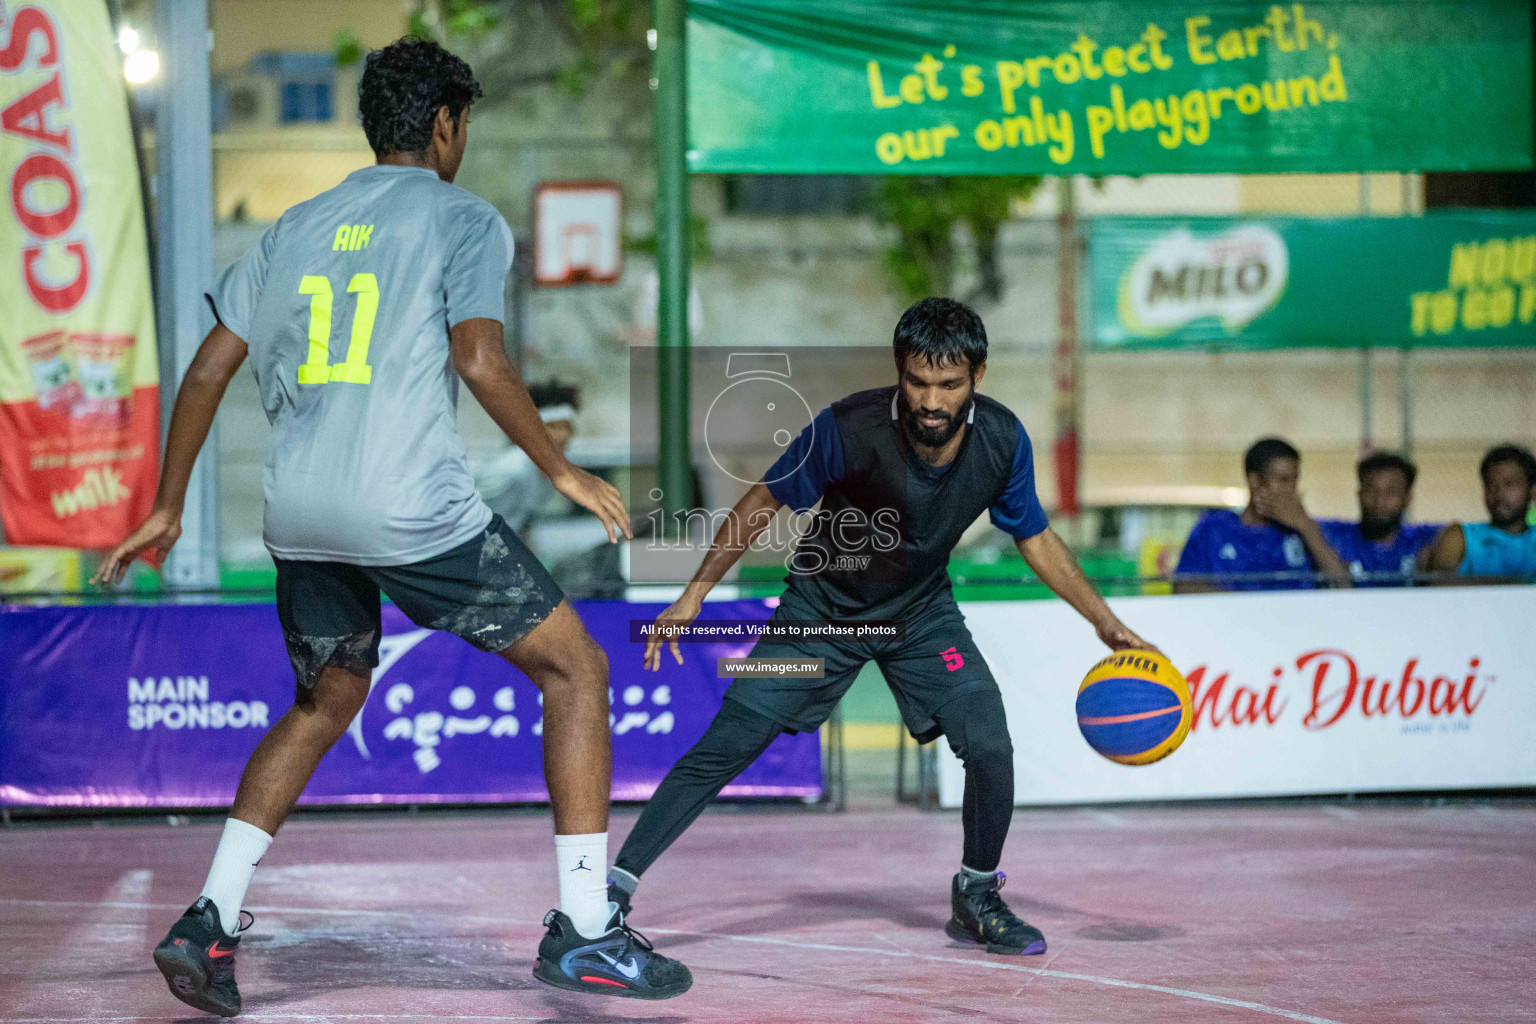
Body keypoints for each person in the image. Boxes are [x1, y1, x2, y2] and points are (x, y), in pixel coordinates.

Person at [92, 39, 688, 1014]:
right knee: (576, 668)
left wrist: (166, 504)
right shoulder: (465, 218)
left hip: (303, 515)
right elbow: (485, 360)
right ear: (448, 125)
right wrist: (561, 467)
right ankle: (586, 928)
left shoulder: (295, 224)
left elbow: (206, 371)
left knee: (323, 704)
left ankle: (210, 915)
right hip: (410, 511)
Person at [609, 297, 1156, 958]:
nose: (931, 400)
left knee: (989, 744)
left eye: (948, 385)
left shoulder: (1003, 441)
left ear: (977, 377)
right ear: (900, 372)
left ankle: (977, 894)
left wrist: (1106, 623)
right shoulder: (848, 427)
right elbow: (760, 501)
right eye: (918, 382)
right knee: (728, 742)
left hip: (921, 617)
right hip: (817, 615)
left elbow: (1034, 538)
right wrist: (692, 596)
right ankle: (608, 894)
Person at [1173, 438, 1350, 592]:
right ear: (1254, 481)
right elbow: (1183, 587)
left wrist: (1305, 526)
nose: (1291, 489)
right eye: (1283, 480)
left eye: (1295, 480)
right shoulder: (1214, 530)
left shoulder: (1309, 532)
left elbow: (1343, 587)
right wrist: (1255, 606)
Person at [1318, 451, 1439, 586]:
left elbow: (1463, 534)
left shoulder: (1426, 540)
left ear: (1407, 498)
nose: (1380, 501)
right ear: (1359, 493)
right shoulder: (1332, 536)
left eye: (1391, 492)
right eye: (1371, 490)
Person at [1419, 443, 1536, 580]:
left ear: (1533, 490)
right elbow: (1437, 592)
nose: (1499, 494)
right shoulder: (1459, 538)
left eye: (1509, 484)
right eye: (1491, 485)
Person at [476, 380, 580, 534]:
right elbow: (474, 520)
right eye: (554, 427)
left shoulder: (551, 474)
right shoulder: (511, 470)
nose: (562, 435)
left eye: (567, 428)